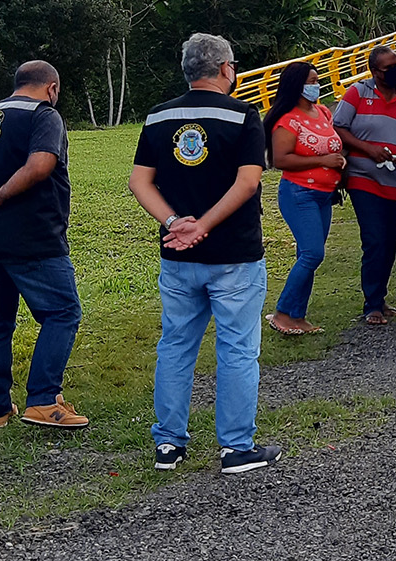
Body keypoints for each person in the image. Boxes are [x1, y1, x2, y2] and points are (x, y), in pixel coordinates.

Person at [128, 33, 280, 474]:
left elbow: (140, 182)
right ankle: (236, 448)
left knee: (175, 346)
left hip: (178, 256)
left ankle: (168, 445)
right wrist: (205, 226)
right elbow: (248, 182)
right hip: (234, 254)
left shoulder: (158, 117)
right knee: (237, 349)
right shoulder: (243, 115)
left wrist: (177, 224)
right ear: (226, 69)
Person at [0, 60, 88, 430]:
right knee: (62, 313)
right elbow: (41, 164)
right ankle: (42, 399)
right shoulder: (44, 115)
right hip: (33, 237)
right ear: (52, 89)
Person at [333, 46, 396, 326]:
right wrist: (368, 149)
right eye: (389, 68)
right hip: (364, 178)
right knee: (374, 239)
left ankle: (380, 297)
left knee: (389, 241)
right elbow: (338, 127)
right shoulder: (357, 94)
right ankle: (371, 304)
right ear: (375, 72)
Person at [262, 61, 346, 336]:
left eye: (317, 80)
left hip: (324, 195)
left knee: (306, 254)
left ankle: (298, 315)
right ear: (297, 84)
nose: (316, 85)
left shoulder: (322, 111)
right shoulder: (287, 120)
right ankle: (283, 312)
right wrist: (323, 160)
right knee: (312, 254)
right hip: (300, 194)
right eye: (311, 80)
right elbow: (281, 159)